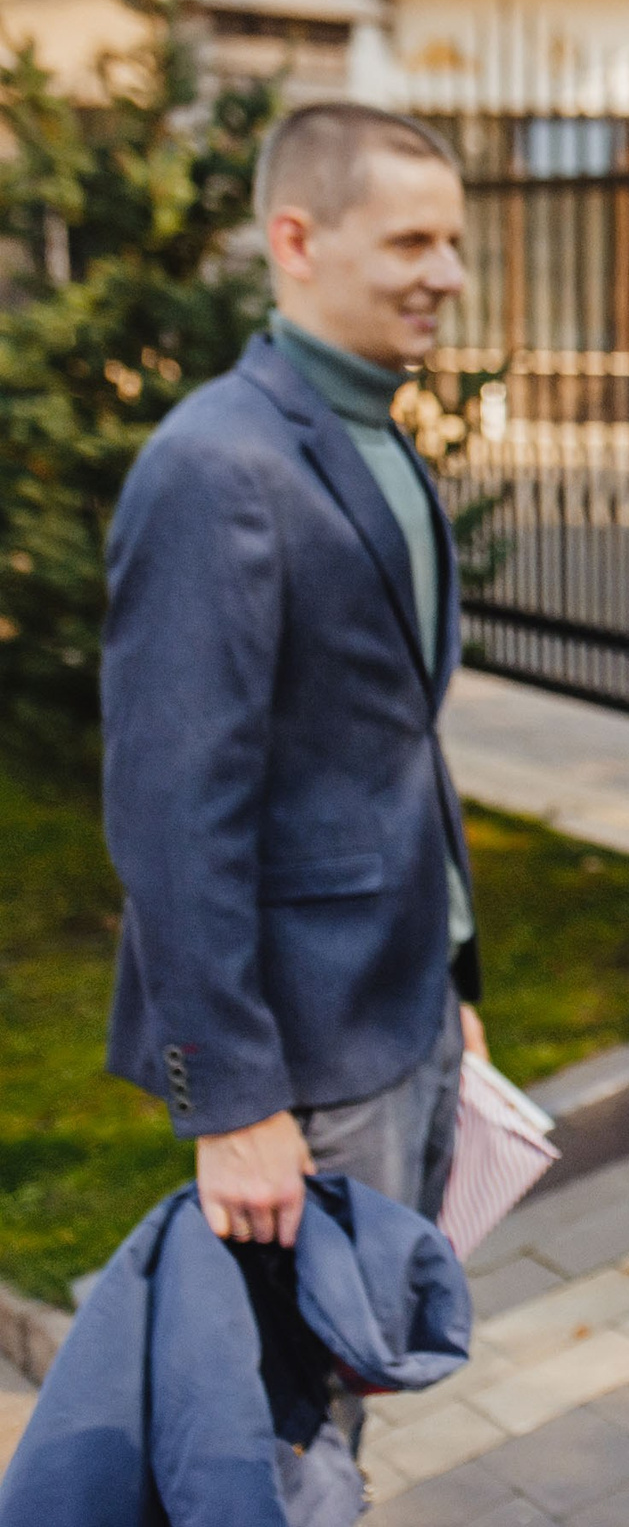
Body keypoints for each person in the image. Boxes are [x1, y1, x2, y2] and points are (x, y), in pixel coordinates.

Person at [101, 103, 488, 1263]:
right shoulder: (215, 465)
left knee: (364, 1369)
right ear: (296, 240)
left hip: (406, 1009)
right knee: (290, 1423)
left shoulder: (377, 433)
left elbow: (387, 738)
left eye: (453, 242)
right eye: (411, 243)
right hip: (305, 1060)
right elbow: (173, 807)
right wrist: (229, 1101)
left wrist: (445, 981)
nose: (449, 274)